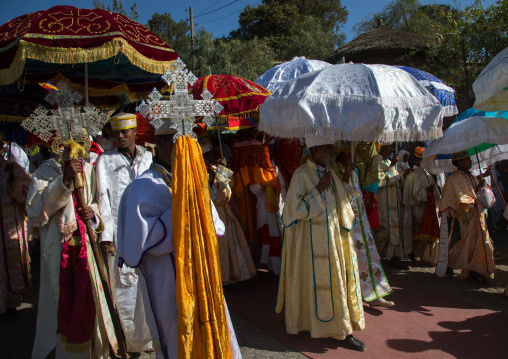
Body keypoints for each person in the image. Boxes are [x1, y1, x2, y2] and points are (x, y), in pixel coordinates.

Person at [116, 121, 241, 358]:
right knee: (174, 334)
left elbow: (215, 226)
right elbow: (141, 242)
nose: (182, 150)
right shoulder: (141, 187)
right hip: (166, 275)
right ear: (159, 142)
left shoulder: (194, 182)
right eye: (175, 143)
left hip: (202, 274)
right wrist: (180, 211)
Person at [276, 136, 366, 352]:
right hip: (311, 244)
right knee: (315, 282)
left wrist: (345, 175)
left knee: (338, 282)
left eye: (330, 148)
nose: (330, 152)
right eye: (326, 148)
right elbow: (290, 212)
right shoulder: (302, 174)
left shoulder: (331, 172)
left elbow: (340, 199)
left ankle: (342, 329)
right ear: (315, 148)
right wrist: (317, 191)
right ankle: (308, 324)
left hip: (334, 240)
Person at [27, 145, 117, 358]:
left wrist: (92, 213)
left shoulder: (88, 169)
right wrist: (65, 179)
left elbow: (97, 201)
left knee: (92, 295)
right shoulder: (46, 170)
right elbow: (38, 209)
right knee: (61, 298)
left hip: (86, 241)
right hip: (58, 245)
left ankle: (97, 350)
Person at [95, 113, 153, 354]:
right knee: (125, 287)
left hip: (149, 233)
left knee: (149, 285)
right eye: (116, 133)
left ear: (134, 132)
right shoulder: (104, 161)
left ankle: (150, 337)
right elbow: (102, 199)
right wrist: (106, 235)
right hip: (120, 232)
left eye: (124, 132)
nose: (120, 137)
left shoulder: (148, 156)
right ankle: (131, 341)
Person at [334, 145, 394, 308]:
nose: (348, 156)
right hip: (345, 221)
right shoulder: (333, 170)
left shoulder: (355, 169)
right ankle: (351, 294)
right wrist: (346, 173)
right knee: (350, 257)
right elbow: (338, 193)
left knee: (368, 254)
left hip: (360, 220)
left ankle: (375, 292)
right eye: (345, 151)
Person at [199, 129, 256, 286]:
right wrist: (217, 175)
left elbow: (228, 188)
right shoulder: (200, 173)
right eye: (209, 154)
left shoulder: (215, 169)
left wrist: (222, 169)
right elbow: (213, 193)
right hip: (213, 215)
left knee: (233, 246)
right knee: (220, 248)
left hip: (225, 212)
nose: (213, 156)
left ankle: (235, 274)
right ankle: (221, 279)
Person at [438, 150, 495, 283]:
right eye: (467, 160)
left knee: (479, 242)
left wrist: (483, 178)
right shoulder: (455, 178)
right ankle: (459, 266)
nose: (470, 161)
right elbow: (464, 198)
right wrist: (477, 189)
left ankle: (474, 271)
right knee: (470, 243)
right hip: (467, 216)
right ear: (459, 162)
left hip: (478, 215)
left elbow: (477, 190)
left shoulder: (468, 175)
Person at [0, 153, 31, 319]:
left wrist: (13, 180)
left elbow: (28, 190)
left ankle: (11, 303)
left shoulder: (12, 167)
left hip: (10, 221)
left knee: (11, 261)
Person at [374, 143, 412, 269]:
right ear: (380, 148)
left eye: (391, 147)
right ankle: (378, 255)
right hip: (384, 201)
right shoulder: (376, 160)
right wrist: (392, 166)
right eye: (388, 147)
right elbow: (379, 181)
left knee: (396, 227)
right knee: (384, 229)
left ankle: (395, 256)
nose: (390, 150)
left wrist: (403, 176)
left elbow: (395, 178)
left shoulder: (388, 160)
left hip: (394, 201)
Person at [403, 147, 441, 265]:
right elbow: (414, 196)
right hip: (418, 208)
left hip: (428, 208)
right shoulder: (413, 175)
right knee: (419, 232)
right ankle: (417, 254)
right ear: (418, 160)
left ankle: (428, 256)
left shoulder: (426, 173)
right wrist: (426, 191)